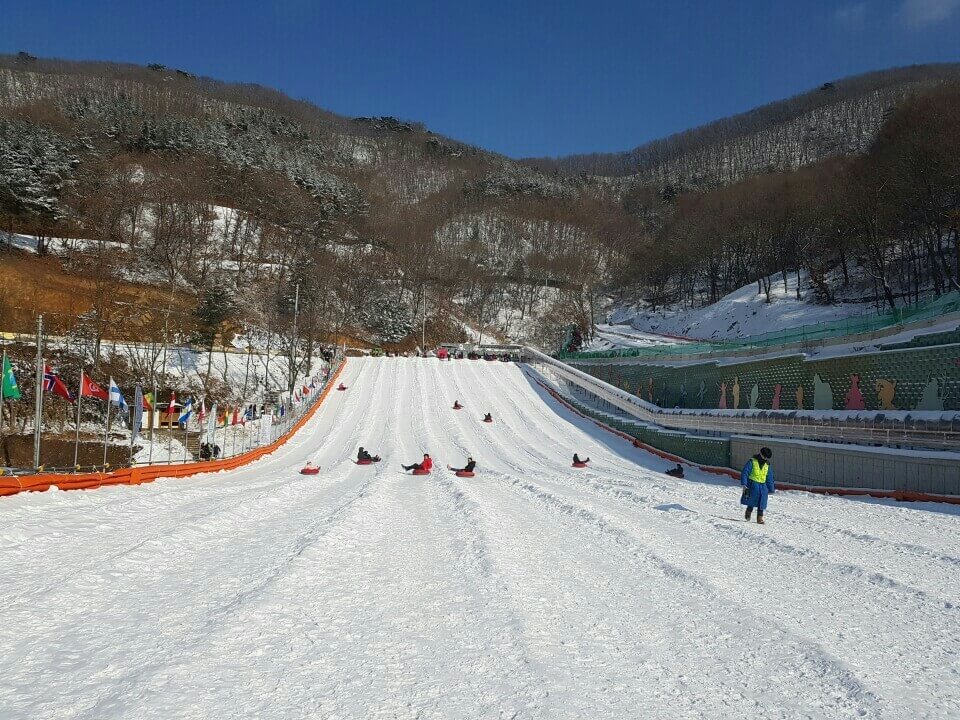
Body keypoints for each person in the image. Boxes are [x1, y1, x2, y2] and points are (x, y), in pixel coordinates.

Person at [741, 447, 775, 524]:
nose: (765, 458)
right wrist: (744, 484)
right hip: (753, 485)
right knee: (752, 500)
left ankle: (760, 518)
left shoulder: (767, 465)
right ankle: (748, 512)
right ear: (760, 454)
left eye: (767, 457)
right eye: (764, 456)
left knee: (761, 502)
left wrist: (771, 489)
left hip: (763, 486)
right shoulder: (752, 462)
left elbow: (769, 477)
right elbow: (745, 472)